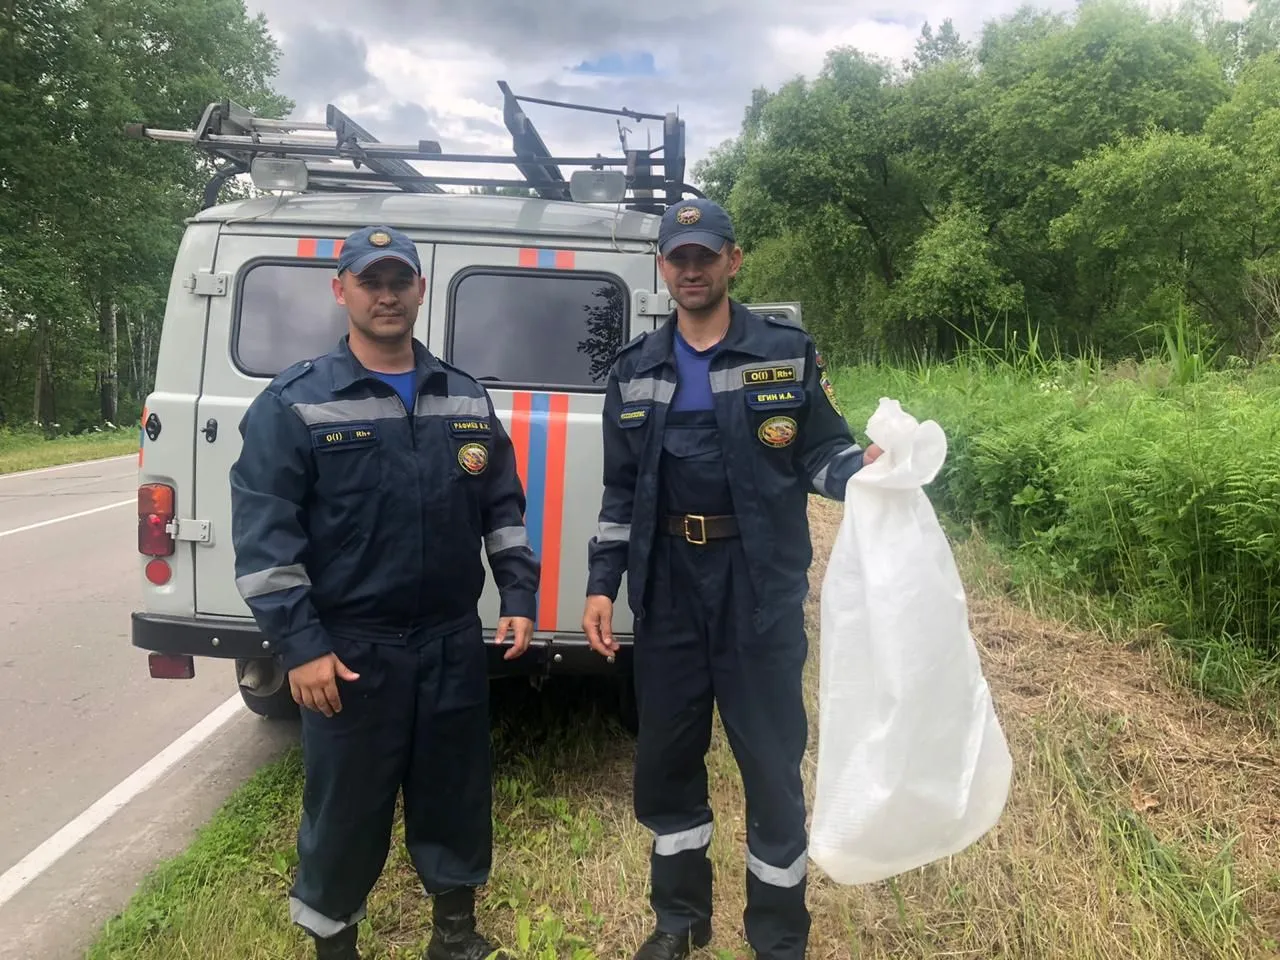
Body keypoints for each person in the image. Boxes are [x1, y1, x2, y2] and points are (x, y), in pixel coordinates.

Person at [581, 198, 882, 960]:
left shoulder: (785, 354)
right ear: (663, 268)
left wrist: (866, 474)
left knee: (773, 767)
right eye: (678, 258)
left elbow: (821, 453)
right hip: (670, 595)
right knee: (667, 762)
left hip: (759, 593)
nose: (691, 270)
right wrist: (599, 584)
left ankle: (779, 937)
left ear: (732, 261)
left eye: (705, 256)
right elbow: (620, 494)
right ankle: (679, 923)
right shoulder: (635, 371)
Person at [230, 224, 539, 960]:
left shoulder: (463, 397)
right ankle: (334, 944)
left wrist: (519, 595)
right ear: (342, 291)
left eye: (400, 279)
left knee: (456, 798)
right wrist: (301, 646)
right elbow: (267, 541)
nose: (387, 294)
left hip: (449, 640)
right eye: (371, 281)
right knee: (345, 813)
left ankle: (456, 936)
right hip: (350, 651)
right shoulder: (295, 403)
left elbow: (502, 507)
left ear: (420, 289)